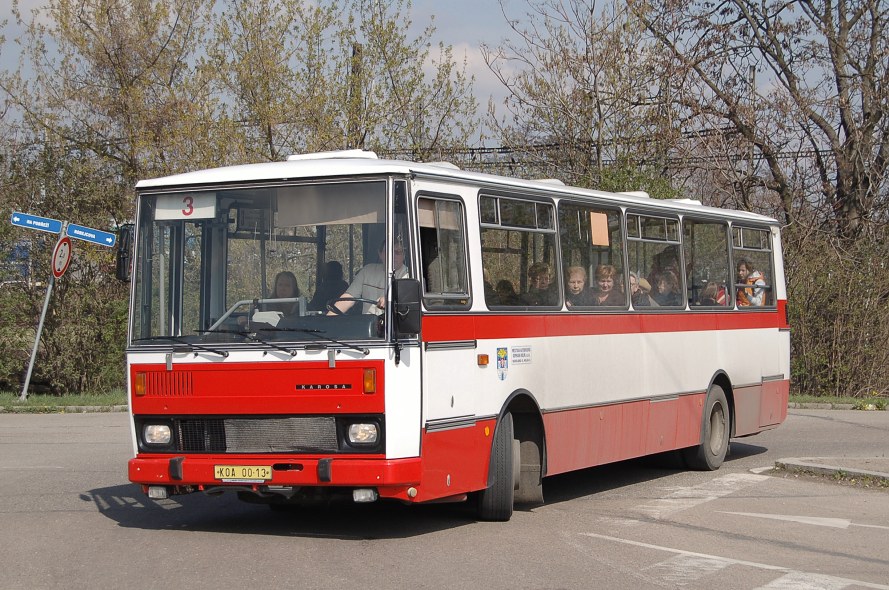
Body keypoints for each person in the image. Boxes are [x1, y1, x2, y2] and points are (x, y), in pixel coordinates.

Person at [327, 241, 408, 315]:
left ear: (404, 255)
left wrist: (390, 299)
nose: (393, 256)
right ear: (380, 254)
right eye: (388, 252)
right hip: (367, 327)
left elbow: (405, 299)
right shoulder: (367, 271)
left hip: (395, 328)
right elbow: (349, 298)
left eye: (397, 252)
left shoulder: (409, 275)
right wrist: (329, 318)